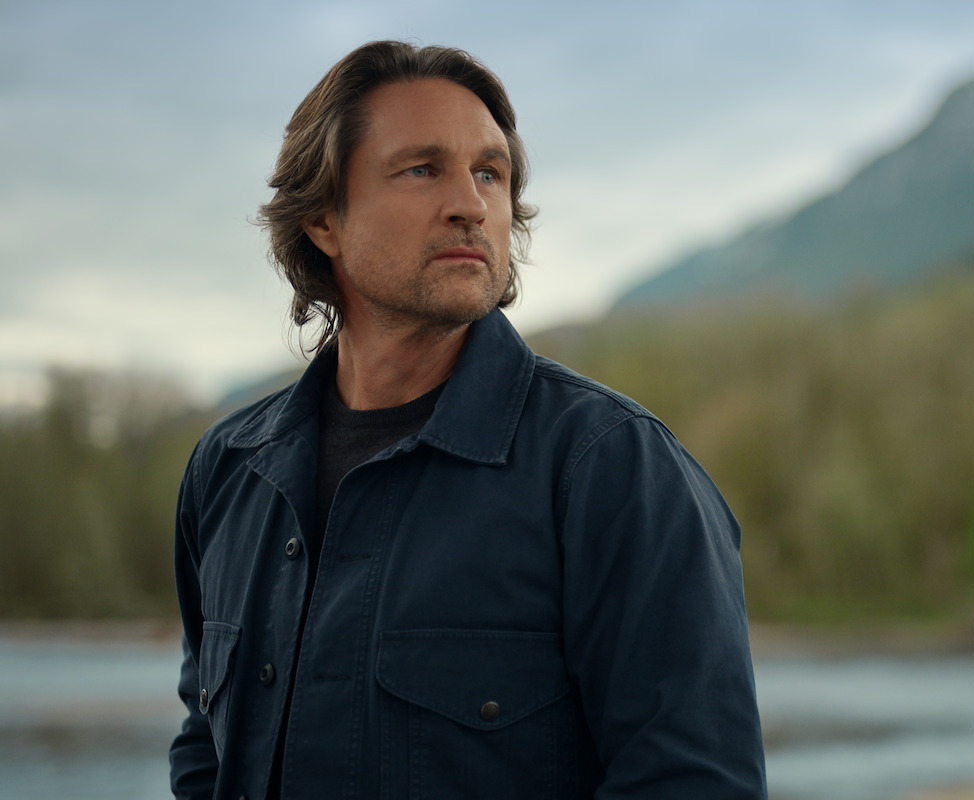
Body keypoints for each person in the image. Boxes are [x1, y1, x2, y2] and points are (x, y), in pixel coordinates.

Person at [169, 40, 766, 800]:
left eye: (490, 173)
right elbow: (205, 747)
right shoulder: (227, 470)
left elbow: (695, 783)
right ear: (322, 218)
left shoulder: (614, 467)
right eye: (423, 170)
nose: (472, 205)